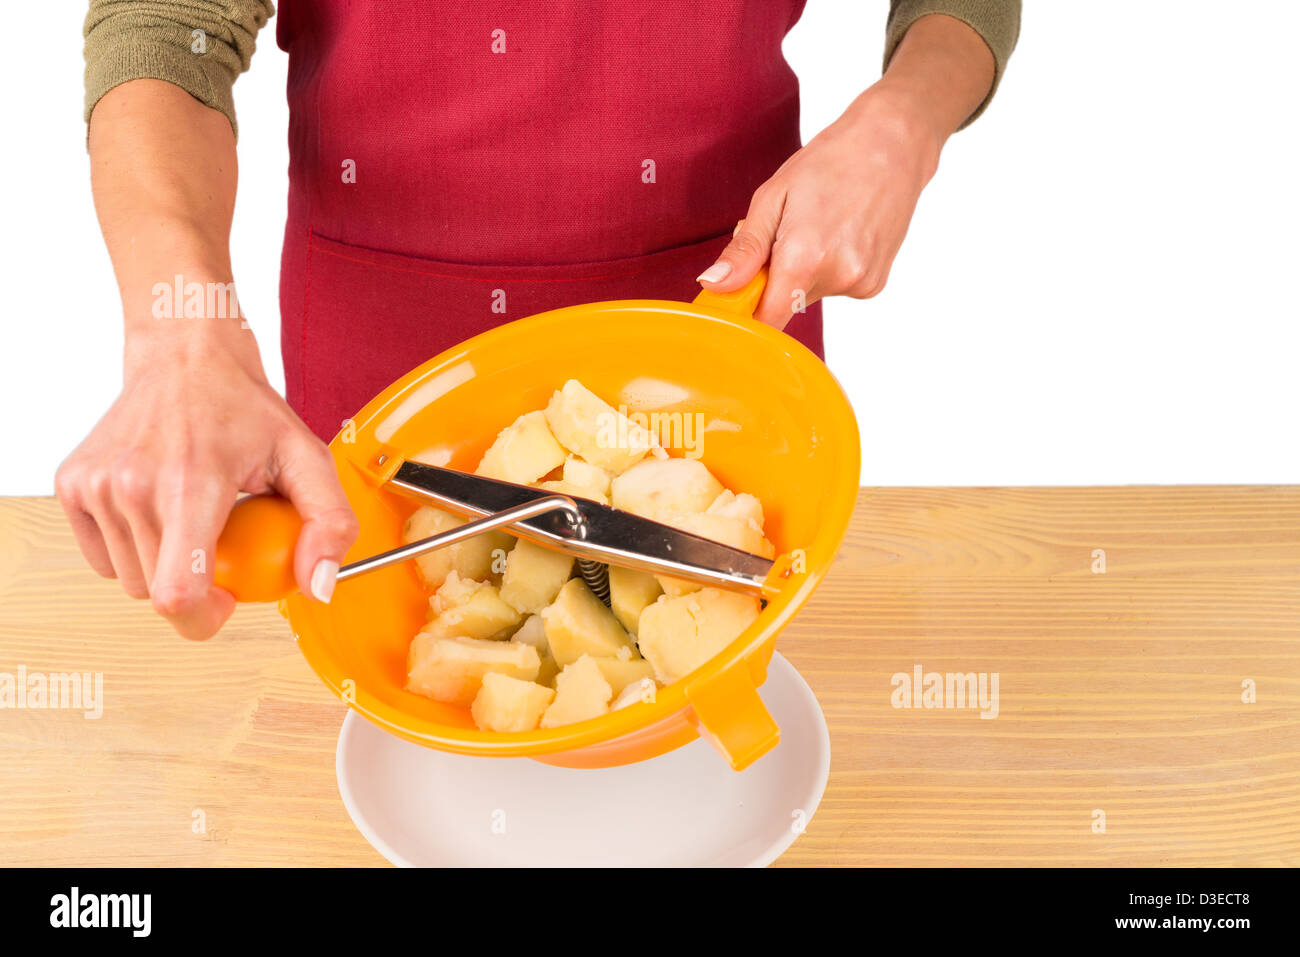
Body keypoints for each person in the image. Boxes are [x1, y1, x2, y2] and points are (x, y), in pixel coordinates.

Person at [60, 1, 1020, 639]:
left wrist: (907, 117)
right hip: (389, 370)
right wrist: (179, 336)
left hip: (720, 348)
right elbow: (165, 21)